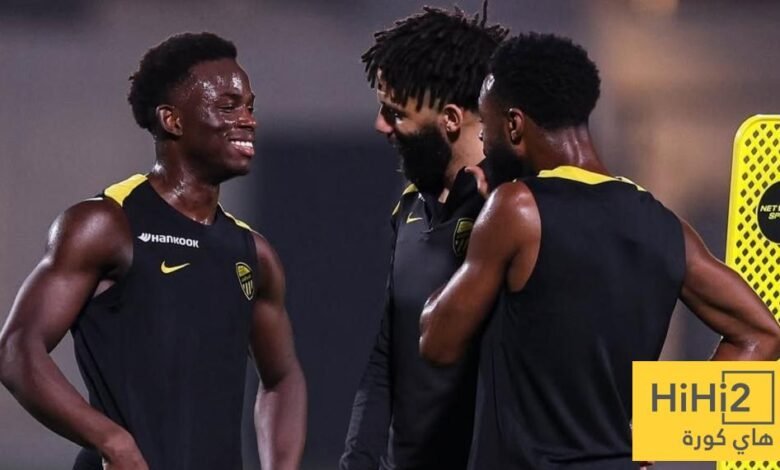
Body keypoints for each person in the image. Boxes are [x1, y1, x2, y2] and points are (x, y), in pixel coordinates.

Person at [420, 32, 780, 469]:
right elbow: (761, 334)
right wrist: (657, 435)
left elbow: (436, 343)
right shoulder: (665, 227)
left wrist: (461, 218)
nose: (483, 144)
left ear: (514, 125)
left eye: (488, 128)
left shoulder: (515, 208)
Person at [0, 32, 306, 470]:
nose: (248, 120)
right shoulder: (105, 224)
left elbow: (282, 377)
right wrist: (112, 442)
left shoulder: (253, 254)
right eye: (228, 107)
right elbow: (17, 350)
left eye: (250, 107)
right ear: (172, 120)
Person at [339, 6, 511, 470]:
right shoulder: (410, 207)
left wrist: (645, 436)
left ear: (451, 119)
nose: (380, 125)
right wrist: (357, 460)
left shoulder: (520, 210)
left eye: (395, 113)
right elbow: (386, 355)